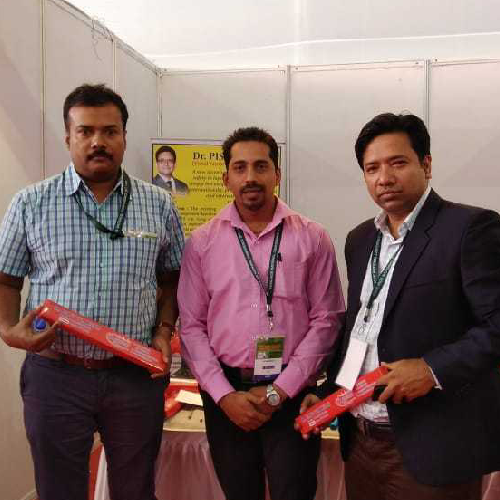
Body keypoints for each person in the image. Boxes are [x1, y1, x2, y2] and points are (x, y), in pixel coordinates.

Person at [299, 112, 500, 500]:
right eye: (372, 168)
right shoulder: (360, 240)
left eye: (397, 163)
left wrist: (430, 369)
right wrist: (329, 393)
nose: (384, 178)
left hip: (433, 445)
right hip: (361, 441)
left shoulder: (469, 228)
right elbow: (363, 329)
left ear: (426, 165)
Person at [0, 84, 185, 500]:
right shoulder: (31, 203)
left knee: (135, 490)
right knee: (58, 490)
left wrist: (164, 330)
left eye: (110, 131)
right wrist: (8, 330)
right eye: (85, 131)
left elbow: (172, 278)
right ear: (68, 137)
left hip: (133, 376)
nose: (98, 141)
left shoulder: (159, 205)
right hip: (56, 373)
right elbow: (6, 279)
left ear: (124, 137)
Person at [177, 126, 345, 500]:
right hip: (226, 397)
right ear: (226, 178)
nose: (250, 177)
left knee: (295, 493)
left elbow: (327, 319)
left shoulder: (313, 238)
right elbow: (191, 326)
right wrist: (224, 396)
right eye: (240, 168)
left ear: (277, 174)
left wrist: (278, 392)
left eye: (261, 166)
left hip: (292, 393)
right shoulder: (201, 243)